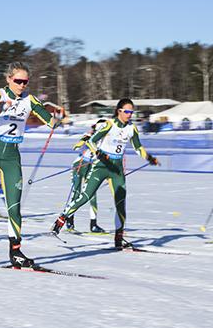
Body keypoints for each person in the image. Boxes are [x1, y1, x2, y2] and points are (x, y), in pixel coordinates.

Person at [0, 62, 63, 268]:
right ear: (8, 79)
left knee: (14, 207)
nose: (22, 85)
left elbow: (49, 120)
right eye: (18, 81)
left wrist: (58, 119)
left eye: (25, 82)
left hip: (12, 157)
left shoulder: (30, 100)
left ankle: (15, 252)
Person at [51, 98, 159, 249]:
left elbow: (138, 147)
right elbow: (90, 141)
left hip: (117, 170)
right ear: (119, 111)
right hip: (101, 166)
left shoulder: (131, 128)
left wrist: (149, 158)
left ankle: (118, 237)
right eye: (127, 111)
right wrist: (99, 153)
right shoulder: (109, 124)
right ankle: (62, 219)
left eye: (131, 112)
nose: (130, 114)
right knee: (86, 196)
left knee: (121, 204)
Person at [66, 119, 108, 233]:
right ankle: (69, 219)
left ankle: (93, 224)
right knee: (76, 194)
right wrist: (85, 140)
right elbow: (77, 146)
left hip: (91, 167)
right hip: (79, 165)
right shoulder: (89, 136)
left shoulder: (105, 142)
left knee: (92, 195)